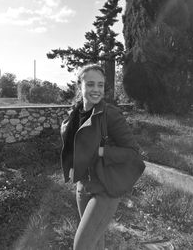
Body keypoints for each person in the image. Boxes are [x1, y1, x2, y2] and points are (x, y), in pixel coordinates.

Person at [60, 63, 140, 250]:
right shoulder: (74, 113)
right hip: (83, 185)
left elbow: (133, 152)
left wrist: (100, 151)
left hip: (106, 187)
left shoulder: (110, 114)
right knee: (95, 242)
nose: (96, 90)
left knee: (81, 246)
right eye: (90, 84)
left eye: (100, 85)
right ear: (79, 85)